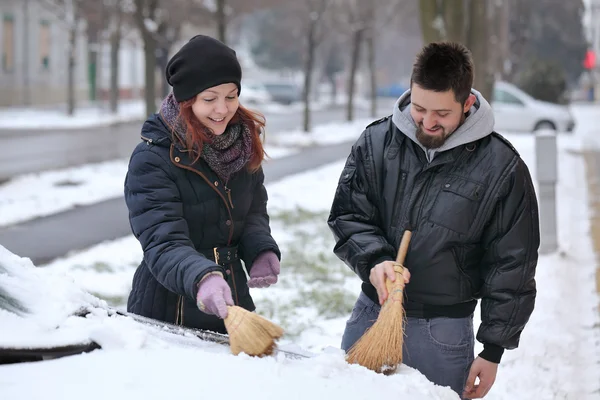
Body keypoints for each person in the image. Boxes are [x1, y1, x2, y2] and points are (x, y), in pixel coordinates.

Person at [328, 42, 539, 399]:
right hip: (372, 314)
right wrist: (375, 259)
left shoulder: (502, 168)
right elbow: (348, 214)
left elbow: (512, 264)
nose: (427, 121)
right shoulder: (376, 141)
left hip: (442, 332)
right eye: (419, 107)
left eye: (441, 113)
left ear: (467, 103)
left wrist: (492, 350)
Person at [124, 35, 281, 334]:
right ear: (187, 99)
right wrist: (203, 277)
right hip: (171, 310)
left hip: (233, 301)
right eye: (210, 99)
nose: (222, 109)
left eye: (231, 96)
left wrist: (260, 249)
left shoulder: (242, 145)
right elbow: (162, 241)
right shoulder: (153, 158)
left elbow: (252, 214)